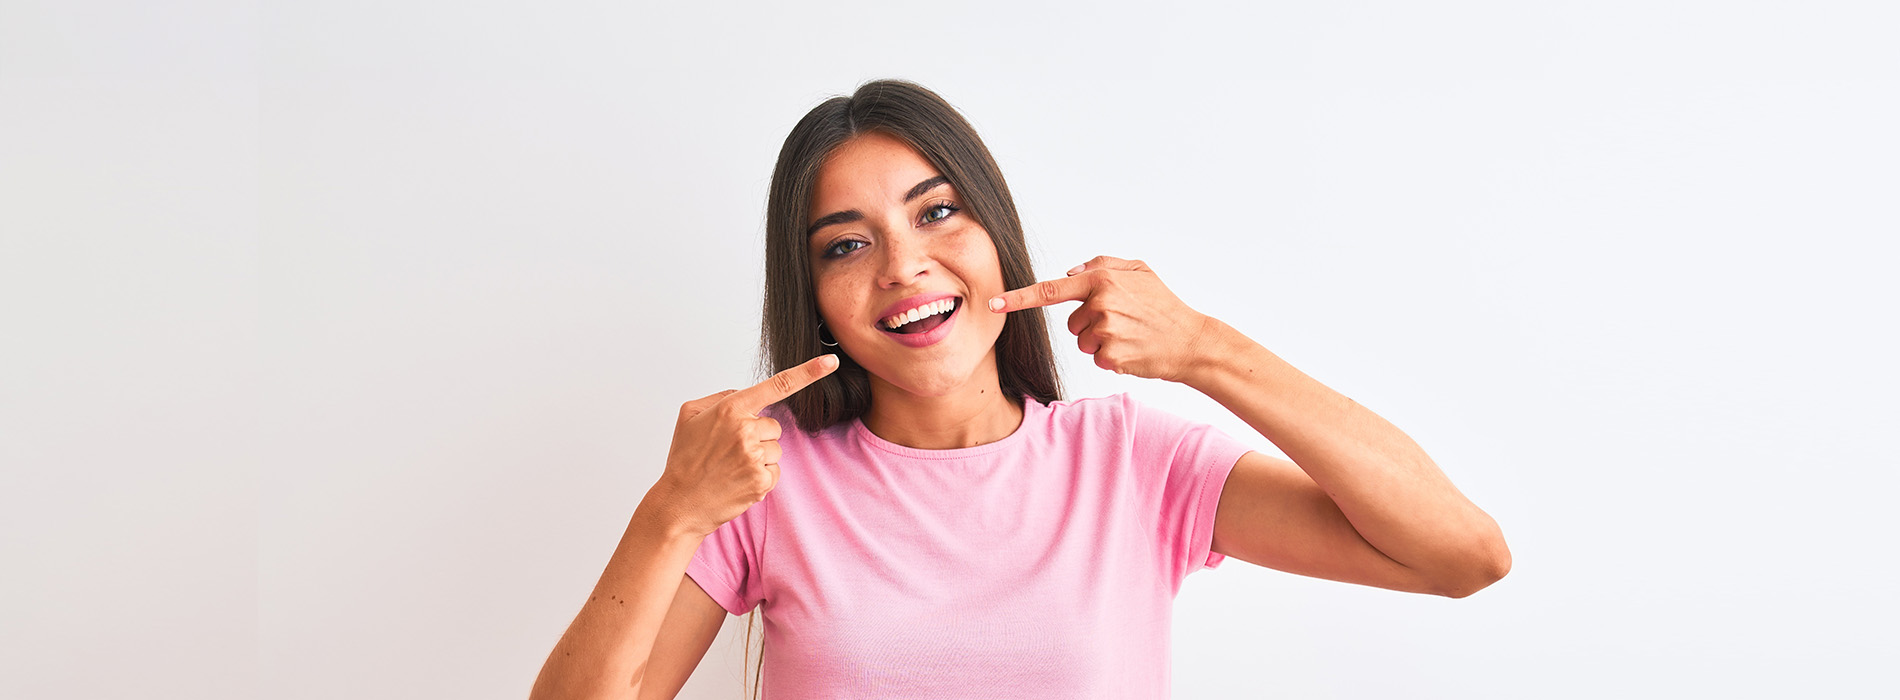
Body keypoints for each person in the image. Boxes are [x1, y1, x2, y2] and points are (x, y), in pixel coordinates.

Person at [529, 79, 1510, 700]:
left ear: (996, 234)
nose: (903, 266)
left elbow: (1460, 554)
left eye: (937, 213)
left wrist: (1204, 348)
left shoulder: (1129, 461)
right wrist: (669, 512)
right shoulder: (764, 482)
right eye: (847, 243)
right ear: (816, 296)